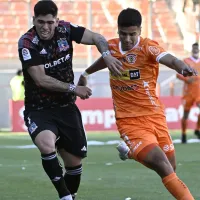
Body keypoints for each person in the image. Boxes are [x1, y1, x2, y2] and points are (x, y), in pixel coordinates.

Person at [78, 8, 196, 199]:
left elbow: (170, 59)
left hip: (155, 115)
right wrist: (85, 74)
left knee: (170, 166)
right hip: (129, 120)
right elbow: (104, 61)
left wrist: (181, 66)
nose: (128, 39)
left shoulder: (148, 47)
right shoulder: (111, 48)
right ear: (118, 31)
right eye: (123, 34)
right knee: (162, 165)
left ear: (140, 31)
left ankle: (131, 152)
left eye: (132, 34)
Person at [17, 1, 122, 200]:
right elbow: (40, 79)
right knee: (46, 144)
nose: (45, 27)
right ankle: (65, 196)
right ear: (34, 20)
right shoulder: (27, 42)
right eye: (40, 22)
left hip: (66, 107)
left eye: (50, 22)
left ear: (56, 21)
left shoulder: (66, 30)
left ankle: (69, 196)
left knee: (74, 164)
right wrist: (75, 88)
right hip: (39, 108)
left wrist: (106, 55)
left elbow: (98, 38)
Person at [177, 42, 200, 143]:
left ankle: (197, 129)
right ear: (192, 49)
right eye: (194, 48)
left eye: (197, 49)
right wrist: (186, 79)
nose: (195, 50)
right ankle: (183, 134)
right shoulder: (186, 61)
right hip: (188, 93)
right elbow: (178, 74)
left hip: (199, 92)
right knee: (186, 115)